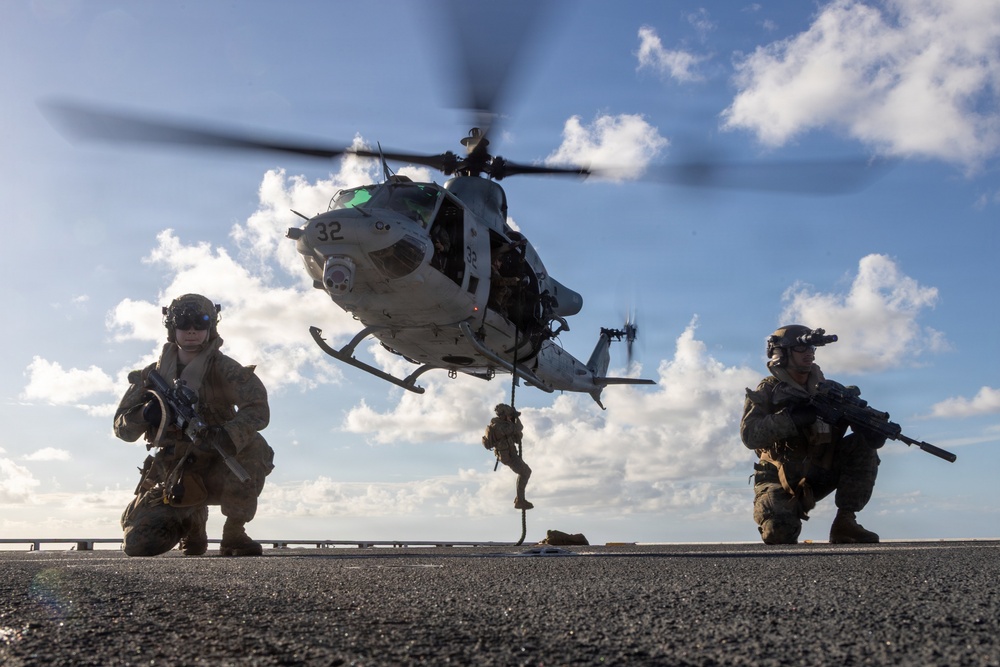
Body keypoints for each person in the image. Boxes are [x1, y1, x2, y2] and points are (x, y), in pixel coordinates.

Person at [114, 294, 275, 557]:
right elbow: (122, 429)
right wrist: (144, 413)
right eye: (183, 323)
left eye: (200, 324)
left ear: (211, 327)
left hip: (219, 466)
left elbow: (258, 411)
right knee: (140, 544)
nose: (191, 330)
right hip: (175, 477)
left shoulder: (226, 370)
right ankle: (192, 528)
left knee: (255, 445)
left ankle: (234, 533)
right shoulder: (151, 376)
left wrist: (226, 434)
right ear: (171, 327)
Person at [740, 325, 884, 545]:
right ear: (781, 353)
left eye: (812, 348)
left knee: (862, 443)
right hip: (779, 476)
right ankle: (785, 518)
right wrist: (792, 418)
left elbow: (864, 424)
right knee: (779, 533)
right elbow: (749, 435)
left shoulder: (830, 390)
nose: (809, 353)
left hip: (820, 472)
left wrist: (872, 429)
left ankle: (845, 522)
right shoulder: (768, 390)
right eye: (800, 348)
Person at [482, 403, 533, 510]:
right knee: (525, 472)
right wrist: (515, 417)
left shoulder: (500, 424)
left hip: (510, 454)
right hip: (508, 456)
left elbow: (516, 433)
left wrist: (513, 417)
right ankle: (520, 500)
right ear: (504, 415)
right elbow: (519, 427)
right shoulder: (501, 426)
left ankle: (520, 499)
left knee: (525, 472)